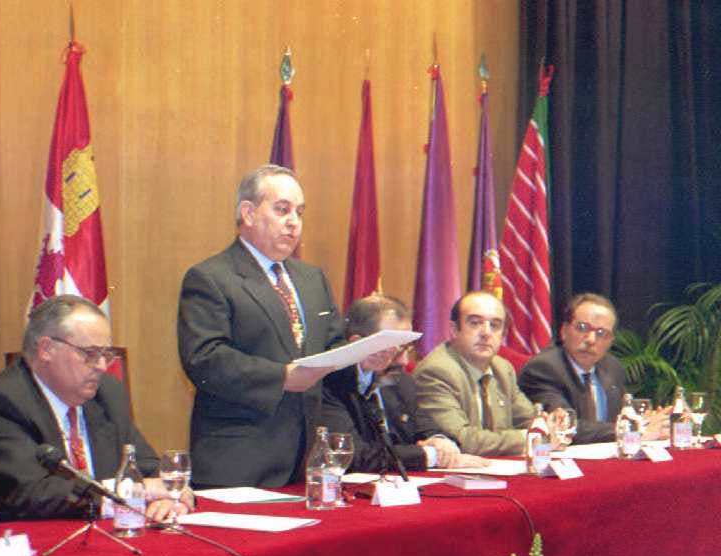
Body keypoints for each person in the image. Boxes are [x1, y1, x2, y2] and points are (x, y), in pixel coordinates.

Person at [0, 295, 191, 522]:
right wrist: (134, 493)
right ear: (46, 349)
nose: (102, 366)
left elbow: (146, 467)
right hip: (31, 550)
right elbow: (30, 492)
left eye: (107, 354)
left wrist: (176, 496)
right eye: (91, 354)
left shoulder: (108, 393)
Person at [177, 165, 345, 488]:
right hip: (240, 462)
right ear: (248, 213)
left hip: (305, 461)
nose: (294, 222)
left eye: (299, 212)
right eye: (282, 210)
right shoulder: (211, 278)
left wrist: (363, 362)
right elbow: (204, 359)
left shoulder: (313, 280)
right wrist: (282, 377)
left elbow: (332, 346)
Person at [322, 295, 489, 471]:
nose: (403, 361)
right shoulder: (332, 383)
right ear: (357, 344)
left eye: (407, 348)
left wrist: (441, 442)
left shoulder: (400, 382)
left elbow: (428, 428)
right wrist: (429, 455)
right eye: (395, 348)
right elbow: (354, 456)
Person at [519, 292, 669, 443]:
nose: (591, 340)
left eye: (601, 333)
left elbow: (625, 414)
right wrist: (633, 430)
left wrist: (652, 421)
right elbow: (562, 426)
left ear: (610, 341)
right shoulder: (544, 368)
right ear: (564, 331)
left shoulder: (612, 367)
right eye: (582, 328)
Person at [414, 291, 545, 456]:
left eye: (495, 325)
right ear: (454, 330)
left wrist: (549, 426)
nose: (486, 333)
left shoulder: (503, 369)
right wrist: (528, 438)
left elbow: (532, 422)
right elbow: (462, 440)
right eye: (475, 323)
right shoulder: (436, 371)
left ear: (503, 334)